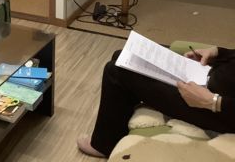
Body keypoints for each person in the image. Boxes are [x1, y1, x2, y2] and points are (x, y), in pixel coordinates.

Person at [77, 44, 235, 158]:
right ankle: (130, 100)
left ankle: (104, 145)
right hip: (213, 79)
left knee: (115, 71)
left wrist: (213, 102)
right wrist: (220, 53)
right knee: (125, 56)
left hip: (220, 110)